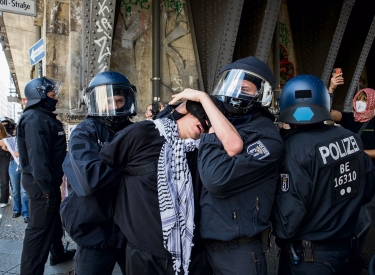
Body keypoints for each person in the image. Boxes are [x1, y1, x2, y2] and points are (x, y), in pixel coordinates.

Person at [99, 90, 242, 274]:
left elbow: (234, 145)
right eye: (204, 117)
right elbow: (104, 170)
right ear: (188, 110)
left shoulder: (207, 149)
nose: (206, 126)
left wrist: (203, 98)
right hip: (144, 253)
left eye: (211, 123)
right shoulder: (143, 132)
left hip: (192, 253)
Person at [187, 56, 284, 275]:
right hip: (203, 242)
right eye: (232, 84)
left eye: (245, 89)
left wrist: (212, 133)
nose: (235, 93)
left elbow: (217, 178)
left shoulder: (266, 138)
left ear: (261, 95)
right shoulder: (224, 120)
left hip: (238, 249)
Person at [271, 74, 375, 275]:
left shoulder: (293, 149)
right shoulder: (352, 139)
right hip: (346, 253)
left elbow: (287, 223)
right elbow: (367, 191)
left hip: (309, 259)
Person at [60, 71, 137, 275]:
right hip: (95, 230)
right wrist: (129, 164)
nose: (113, 106)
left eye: (119, 100)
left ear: (127, 101)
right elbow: (90, 181)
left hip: (130, 231)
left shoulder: (136, 131)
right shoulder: (85, 132)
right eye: (106, 100)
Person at [17, 76, 75, 275]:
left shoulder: (43, 116)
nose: (56, 98)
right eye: (52, 95)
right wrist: (48, 191)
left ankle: (57, 253)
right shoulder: (35, 118)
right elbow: (38, 158)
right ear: (40, 96)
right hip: (41, 182)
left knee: (53, 222)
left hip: (47, 180)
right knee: (39, 230)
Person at [329, 75, 375, 273]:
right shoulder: (349, 118)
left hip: (370, 177)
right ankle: (346, 255)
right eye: (360, 99)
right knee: (347, 215)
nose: (361, 103)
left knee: (366, 218)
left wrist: (358, 152)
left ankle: (356, 255)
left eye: (366, 100)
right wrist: (330, 89)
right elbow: (325, 113)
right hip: (349, 175)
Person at [1, 125, 29, 222]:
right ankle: (17, 209)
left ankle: (26, 213)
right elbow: (2, 143)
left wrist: (16, 152)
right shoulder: (12, 139)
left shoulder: (28, 139)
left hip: (25, 164)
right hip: (13, 164)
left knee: (24, 191)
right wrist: (8, 148)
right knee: (15, 190)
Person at [0, 123, 11, 208]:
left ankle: (4, 200)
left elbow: (13, 150)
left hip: (5, 160)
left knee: (4, 181)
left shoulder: (7, 138)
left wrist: (5, 148)